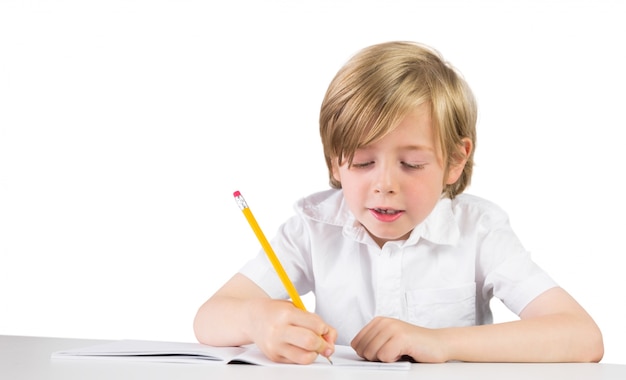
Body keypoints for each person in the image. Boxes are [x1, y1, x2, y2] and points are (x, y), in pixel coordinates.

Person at [193, 41, 604, 364]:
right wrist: (257, 319)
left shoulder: (478, 231)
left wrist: (438, 343)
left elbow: (582, 336)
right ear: (336, 161)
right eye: (362, 162)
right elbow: (209, 318)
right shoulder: (313, 228)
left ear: (455, 160)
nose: (384, 184)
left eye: (411, 164)